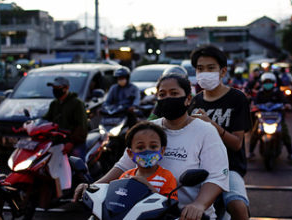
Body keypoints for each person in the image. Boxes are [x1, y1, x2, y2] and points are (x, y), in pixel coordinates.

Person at [74, 73, 229, 220]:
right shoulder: (148, 129)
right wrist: (93, 187)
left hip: (185, 215)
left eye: (174, 93)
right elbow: (123, 166)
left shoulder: (205, 131)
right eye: (162, 94)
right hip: (139, 213)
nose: (167, 98)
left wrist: (198, 205)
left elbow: (217, 177)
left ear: (188, 99)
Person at [188, 45, 252, 220]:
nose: (204, 72)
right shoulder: (194, 101)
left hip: (229, 167)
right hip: (199, 168)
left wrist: (211, 124)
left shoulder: (237, 98)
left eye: (211, 68)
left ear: (222, 71)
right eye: (200, 69)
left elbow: (237, 144)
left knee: (237, 206)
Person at [119, 121, 178, 200]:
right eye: (140, 147)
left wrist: (147, 187)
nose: (147, 151)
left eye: (153, 147)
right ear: (130, 153)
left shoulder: (167, 178)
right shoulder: (125, 177)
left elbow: (170, 206)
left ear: (162, 151)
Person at [247, 72, 292, 163]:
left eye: (270, 82)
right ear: (262, 82)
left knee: (285, 133)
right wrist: (253, 106)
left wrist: (287, 105)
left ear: (273, 83)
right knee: (254, 133)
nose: (267, 84)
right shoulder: (260, 93)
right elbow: (254, 102)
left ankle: (291, 154)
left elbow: (285, 102)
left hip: (277, 118)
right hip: (262, 118)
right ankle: (250, 152)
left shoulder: (278, 92)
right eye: (266, 82)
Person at [44, 76, 88, 159]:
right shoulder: (54, 104)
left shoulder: (77, 103)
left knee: (77, 164)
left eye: (57, 87)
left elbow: (81, 126)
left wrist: (71, 142)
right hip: (57, 142)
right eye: (54, 88)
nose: (55, 90)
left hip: (74, 142)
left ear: (66, 88)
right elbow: (46, 120)